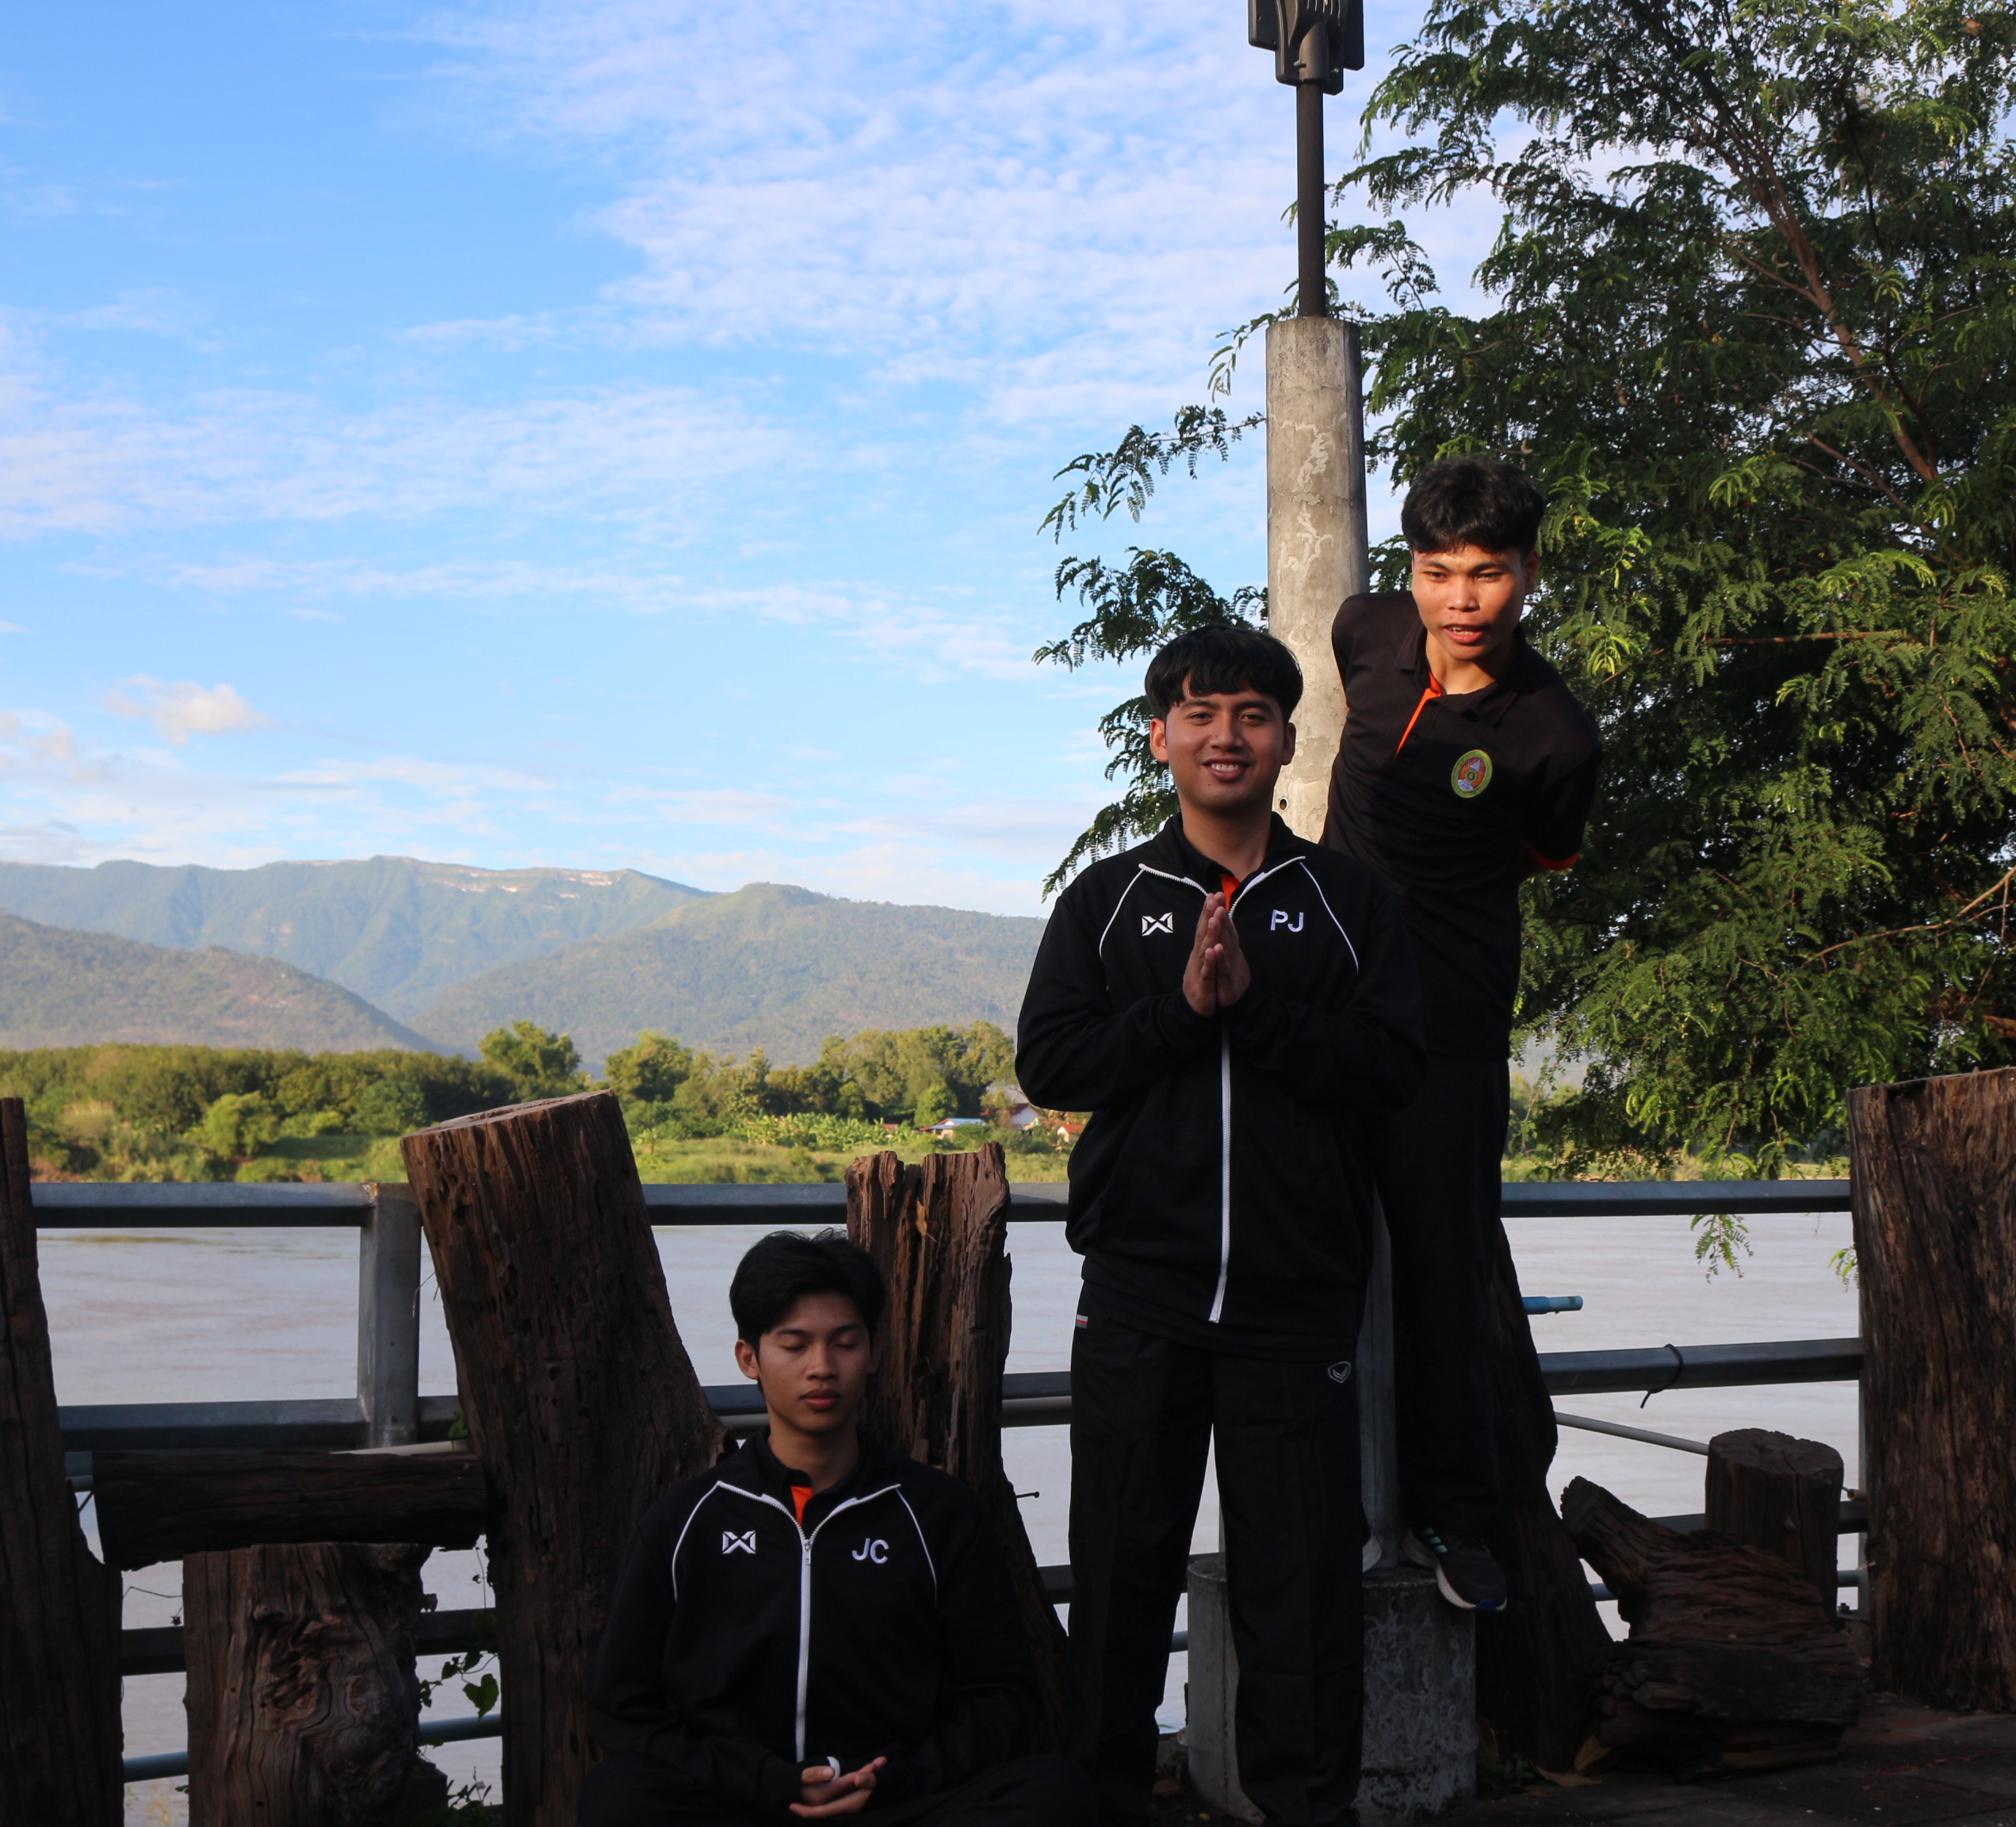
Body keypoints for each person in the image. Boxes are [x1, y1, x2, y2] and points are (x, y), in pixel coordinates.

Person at [1017, 622, 1428, 1827]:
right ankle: (1102, 1805)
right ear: (1161, 738)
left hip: (1295, 1307)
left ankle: (1306, 1812)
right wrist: (1184, 1012)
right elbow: (1053, 1063)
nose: (1226, 735)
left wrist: (1257, 1013)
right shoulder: (1106, 903)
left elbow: (1394, 1066)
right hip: (1140, 1297)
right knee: (1120, 1578)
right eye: (1200, 714)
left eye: (1252, 714)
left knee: (1302, 1596)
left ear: (1289, 740)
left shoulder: (1347, 902)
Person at [1320, 455, 1605, 1615]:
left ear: (1528, 572)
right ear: (1412, 573)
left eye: (1487, 573)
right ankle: (1315, 1499)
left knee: (1446, 1270)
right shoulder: (1364, 634)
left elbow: (1546, 851)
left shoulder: (1554, 733)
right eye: (1439, 572)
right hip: (1324, 1006)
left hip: (1451, 1021)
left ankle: (1457, 1515)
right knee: (1305, 1248)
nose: (1461, 599)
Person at [581, 1230, 1091, 1827]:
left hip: (898, 1802)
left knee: (1056, 1795)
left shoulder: (939, 1514)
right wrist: (760, 1778)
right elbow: (621, 1709)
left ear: (873, 1353)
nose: (821, 1368)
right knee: (618, 1797)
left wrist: (896, 1781)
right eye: (794, 1345)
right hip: (742, 1802)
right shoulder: (686, 1522)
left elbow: (1003, 1697)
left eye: (844, 1343)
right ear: (749, 1358)